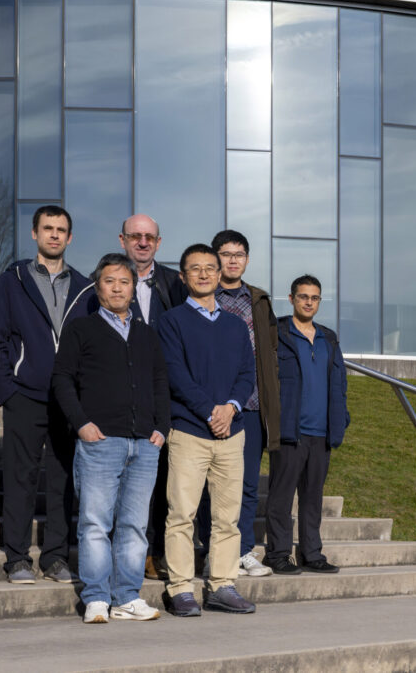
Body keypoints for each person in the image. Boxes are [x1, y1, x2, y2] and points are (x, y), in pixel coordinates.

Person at [52, 253, 170, 624]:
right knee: (94, 523)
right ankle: (97, 597)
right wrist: (82, 424)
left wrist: (161, 428)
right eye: (109, 281)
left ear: (133, 289)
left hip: (144, 445)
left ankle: (127, 596)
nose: (117, 288)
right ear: (98, 285)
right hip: (100, 442)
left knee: (134, 525)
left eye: (124, 282)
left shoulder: (147, 334)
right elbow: (62, 380)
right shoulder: (81, 330)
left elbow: (160, 384)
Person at [0, 205, 96, 584]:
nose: (54, 235)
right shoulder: (11, 280)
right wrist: (6, 389)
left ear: (70, 237)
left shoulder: (86, 288)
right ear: (34, 233)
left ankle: (55, 557)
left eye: (61, 229)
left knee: (63, 480)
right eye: (47, 228)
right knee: (20, 477)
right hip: (24, 395)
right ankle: (17, 557)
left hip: (69, 402)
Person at [156, 244, 256, 616]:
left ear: (219, 275)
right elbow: (175, 374)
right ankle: (181, 588)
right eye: (194, 269)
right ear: (183, 277)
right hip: (189, 432)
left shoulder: (234, 325)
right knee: (181, 513)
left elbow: (248, 372)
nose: (203, 274)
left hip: (232, 433)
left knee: (227, 517)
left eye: (209, 268)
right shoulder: (171, 322)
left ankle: (222, 585)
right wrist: (209, 411)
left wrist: (230, 408)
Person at [194, 230, 278, 578]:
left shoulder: (258, 300)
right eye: (225, 254)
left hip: (251, 407)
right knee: (206, 486)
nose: (232, 260)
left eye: (239, 254)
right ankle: (212, 550)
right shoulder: (200, 296)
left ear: (246, 259)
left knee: (245, 485)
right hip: (208, 407)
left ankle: (242, 550)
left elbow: (267, 354)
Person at [263, 275, 349, 575]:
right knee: (281, 497)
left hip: (321, 433)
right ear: (291, 299)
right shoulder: (279, 332)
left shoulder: (329, 337)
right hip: (290, 431)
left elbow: (339, 383)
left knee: (313, 499)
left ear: (319, 301)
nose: (308, 302)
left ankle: (312, 554)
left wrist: (341, 419)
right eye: (303, 297)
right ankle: (277, 554)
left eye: (314, 298)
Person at [119, 214, 187, 581]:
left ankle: (153, 552)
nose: (142, 243)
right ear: (122, 239)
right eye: (135, 236)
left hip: (162, 396)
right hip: (119, 395)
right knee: (123, 481)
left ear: (158, 243)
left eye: (149, 237)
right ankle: (126, 552)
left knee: (161, 483)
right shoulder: (107, 279)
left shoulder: (174, 284)